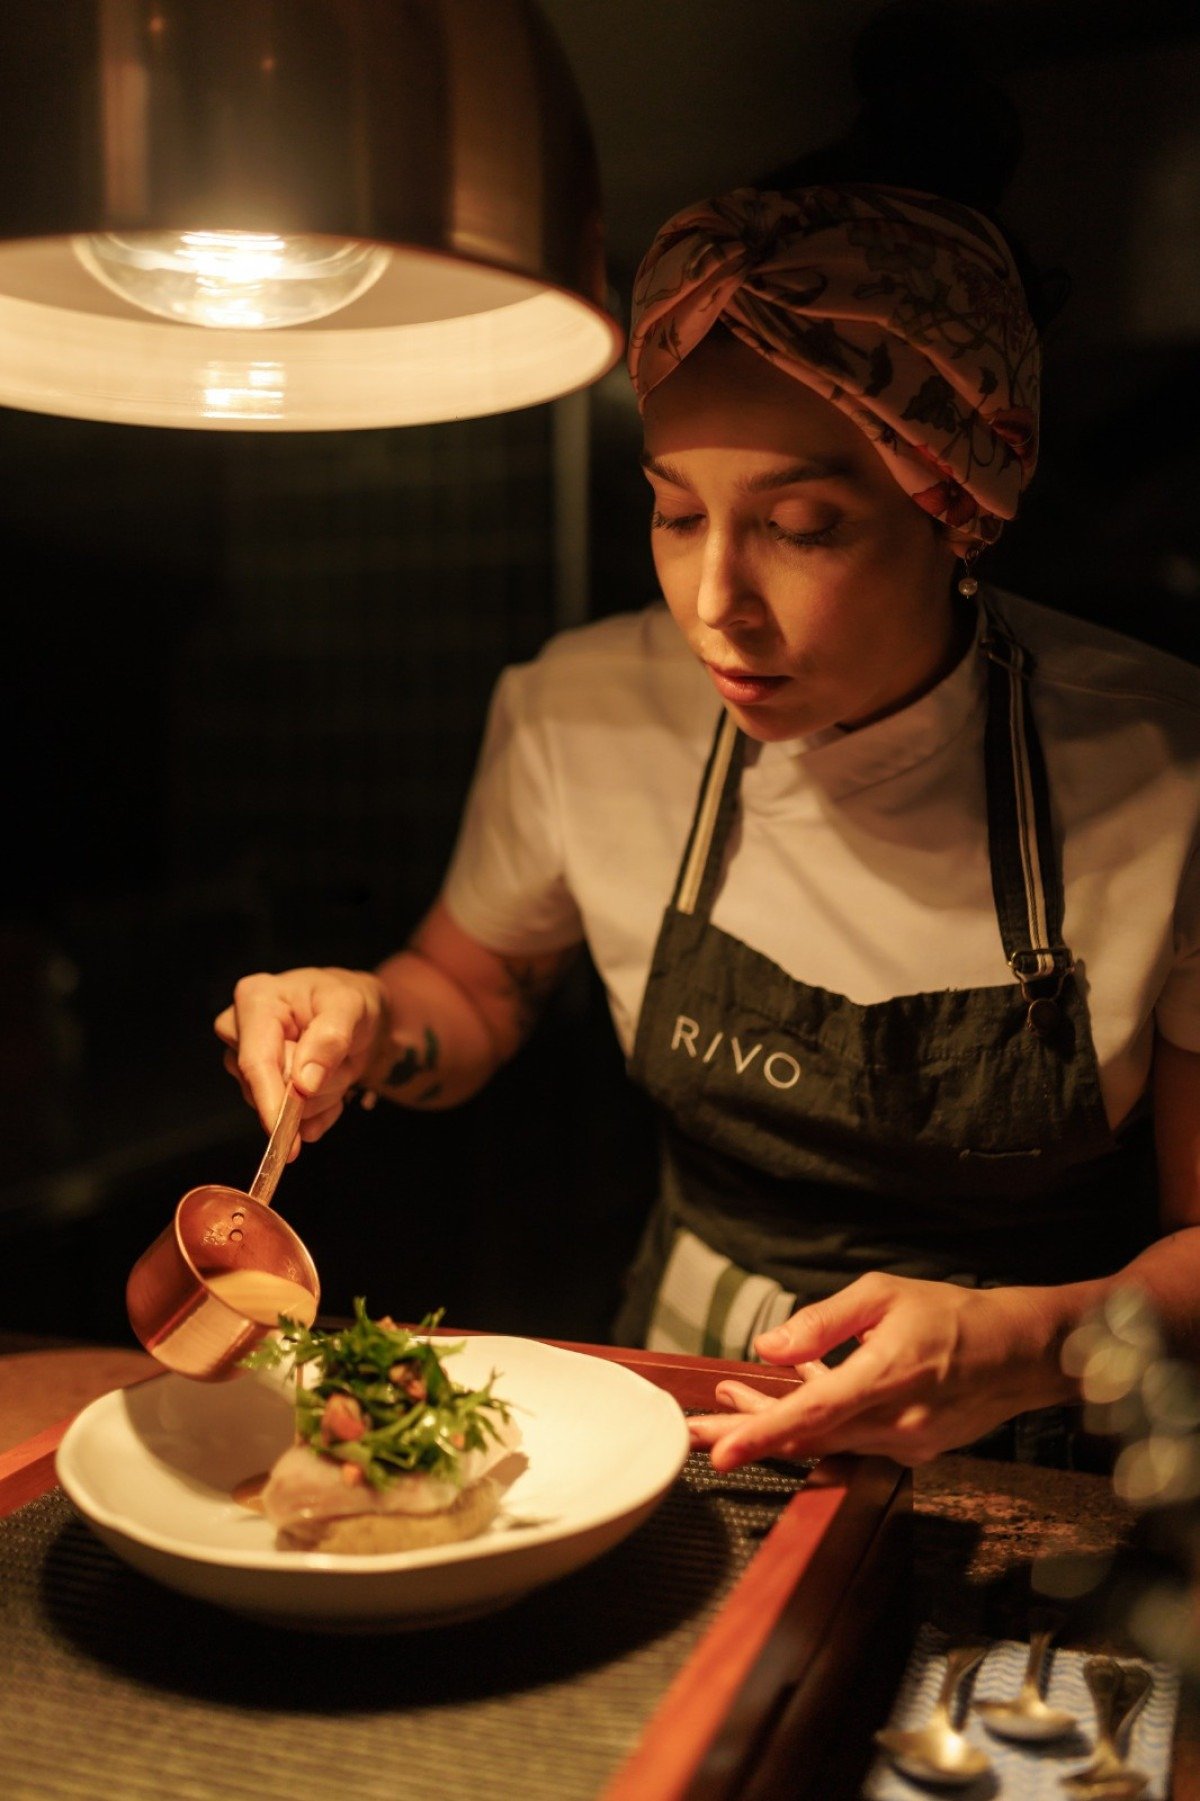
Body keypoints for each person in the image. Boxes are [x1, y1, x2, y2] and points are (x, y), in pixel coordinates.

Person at [216, 177, 1200, 1472]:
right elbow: (469, 986)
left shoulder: (1162, 765)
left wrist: (1026, 1341)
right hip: (688, 1405)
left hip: (1043, 1436)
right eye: (676, 513)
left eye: (802, 526)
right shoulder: (584, 714)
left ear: (958, 505)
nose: (715, 602)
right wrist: (365, 1020)